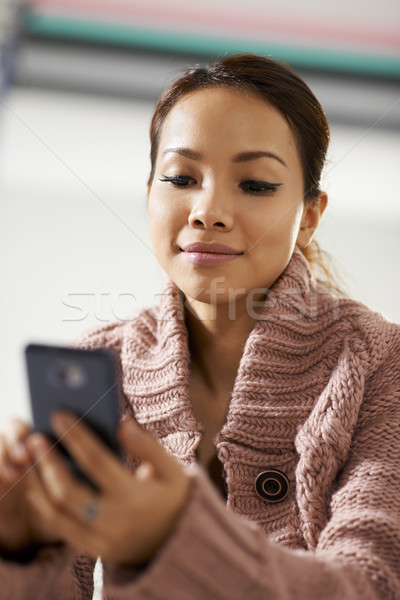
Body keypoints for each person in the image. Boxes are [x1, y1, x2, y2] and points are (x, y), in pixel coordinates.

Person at [0, 53, 399, 600]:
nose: (208, 211)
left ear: (308, 216)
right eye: (181, 177)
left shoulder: (380, 363)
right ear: (149, 197)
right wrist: (20, 548)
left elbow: (373, 585)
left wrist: (173, 538)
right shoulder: (101, 364)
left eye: (256, 184)